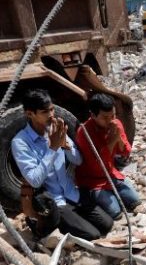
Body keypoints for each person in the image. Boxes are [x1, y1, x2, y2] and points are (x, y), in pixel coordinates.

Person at [11, 89, 113, 241]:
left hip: (71, 193)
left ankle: (72, 218)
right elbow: (34, 180)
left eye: (52, 109)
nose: (51, 115)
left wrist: (66, 145)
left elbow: (78, 161)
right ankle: (47, 224)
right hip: (52, 201)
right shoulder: (20, 143)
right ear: (30, 114)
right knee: (93, 235)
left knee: (107, 224)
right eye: (45, 111)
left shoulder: (56, 129)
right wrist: (52, 148)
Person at [75, 94, 141, 220]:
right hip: (93, 180)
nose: (110, 120)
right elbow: (97, 164)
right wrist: (112, 142)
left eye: (113, 116)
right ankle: (95, 196)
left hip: (111, 173)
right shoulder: (84, 133)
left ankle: (114, 193)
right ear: (93, 115)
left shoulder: (115, 124)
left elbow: (125, 152)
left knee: (135, 201)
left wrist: (119, 139)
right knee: (116, 213)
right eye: (105, 117)